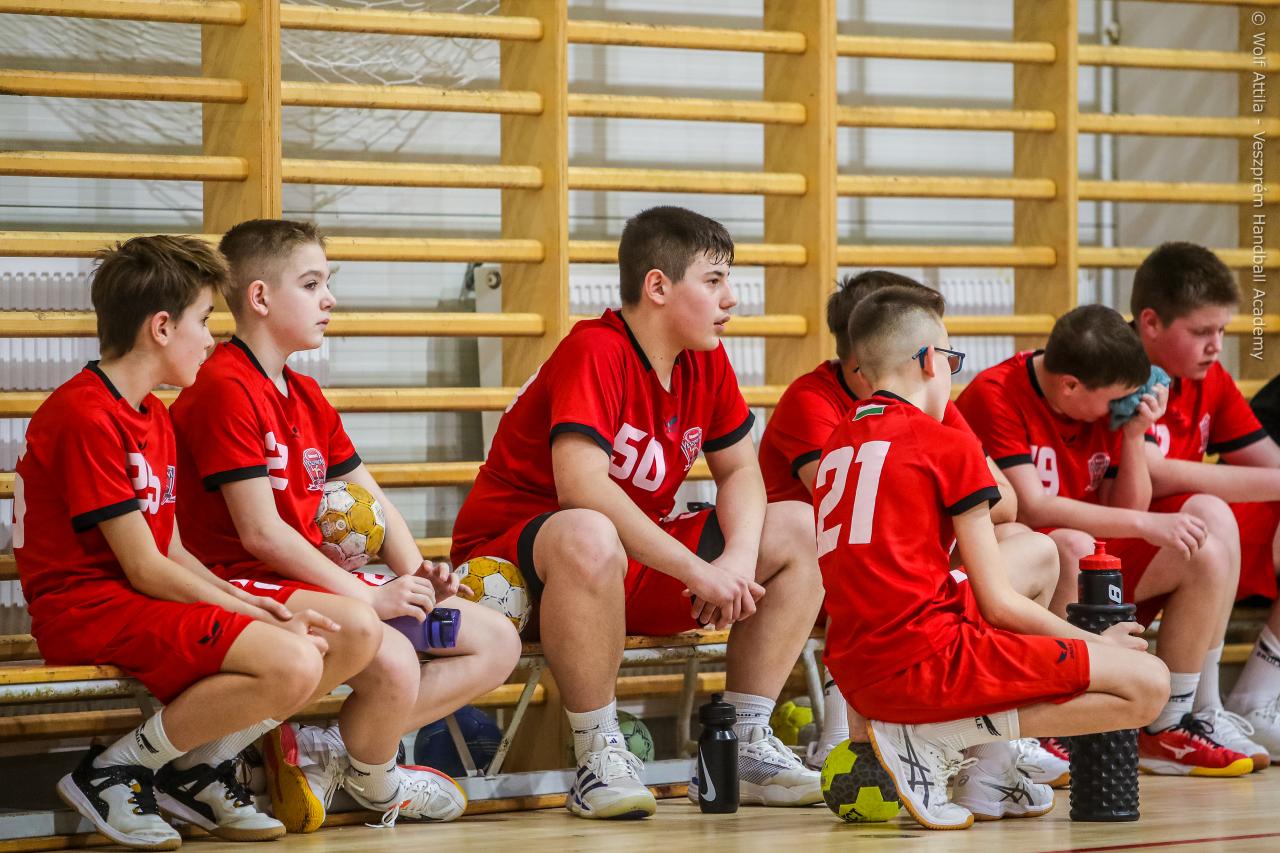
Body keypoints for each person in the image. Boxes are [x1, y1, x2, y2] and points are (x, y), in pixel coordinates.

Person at [451, 206, 824, 819]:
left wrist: (735, 561)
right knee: (589, 532)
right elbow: (582, 489)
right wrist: (698, 571)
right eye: (714, 280)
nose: (730, 298)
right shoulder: (594, 350)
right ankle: (598, 754)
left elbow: (741, 472)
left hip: (623, 558)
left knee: (799, 528)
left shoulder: (706, 359)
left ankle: (746, 742)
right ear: (658, 286)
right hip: (520, 566)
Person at [169, 220, 522, 831]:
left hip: (322, 588)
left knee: (496, 640)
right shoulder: (222, 387)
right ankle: (378, 778)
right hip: (245, 587)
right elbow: (260, 534)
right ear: (259, 297)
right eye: (312, 284)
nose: (329, 299)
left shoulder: (305, 394)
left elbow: (373, 501)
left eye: (327, 283)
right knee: (394, 660)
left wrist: (420, 577)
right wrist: (366, 594)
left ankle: (335, 753)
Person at [15, 236, 339, 849]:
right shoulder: (84, 415)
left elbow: (173, 551)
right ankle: (115, 770)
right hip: (84, 608)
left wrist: (251, 602)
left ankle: (189, 772)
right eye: (204, 320)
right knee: (292, 658)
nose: (211, 340)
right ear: (161, 327)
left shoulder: (154, 414)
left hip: (134, 601)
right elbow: (144, 567)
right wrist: (252, 613)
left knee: (314, 642)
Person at [818, 285, 1170, 830]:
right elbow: (999, 604)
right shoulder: (944, 443)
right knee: (1148, 684)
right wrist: (1095, 643)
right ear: (931, 361)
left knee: (1039, 550)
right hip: (924, 660)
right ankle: (936, 737)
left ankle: (985, 771)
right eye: (952, 359)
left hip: (856, 667)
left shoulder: (838, 441)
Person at [757, 271, 1065, 787]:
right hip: (832, 581)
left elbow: (1007, 502)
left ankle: (984, 745)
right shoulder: (813, 402)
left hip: (900, 572)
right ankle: (871, 737)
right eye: (939, 353)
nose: (942, 366)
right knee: (1129, 671)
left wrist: (942, 494)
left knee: (1025, 543)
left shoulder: (928, 401)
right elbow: (859, 523)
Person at [956, 304, 1257, 776]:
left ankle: (1168, 724)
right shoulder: (996, 393)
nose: (1120, 407)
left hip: (1091, 559)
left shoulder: (1105, 391)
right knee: (1068, 545)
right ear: (1069, 386)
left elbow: (1128, 504)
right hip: (1025, 570)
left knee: (1201, 546)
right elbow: (1032, 507)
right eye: (1115, 401)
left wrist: (1134, 436)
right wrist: (1144, 525)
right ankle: (1049, 721)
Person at [1133, 241, 1280, 760]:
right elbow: (1154, 474)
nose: (1216, 345)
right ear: (1151, 323)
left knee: (1208, 515)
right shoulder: (1118, 365)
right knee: (1208, 513)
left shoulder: (1208, 377)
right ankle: (1191, 711)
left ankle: (1252, 697)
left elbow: (1267, 462)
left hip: (1177, 542)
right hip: (1118, 544)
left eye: (1221, 331)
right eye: (1201, 332)